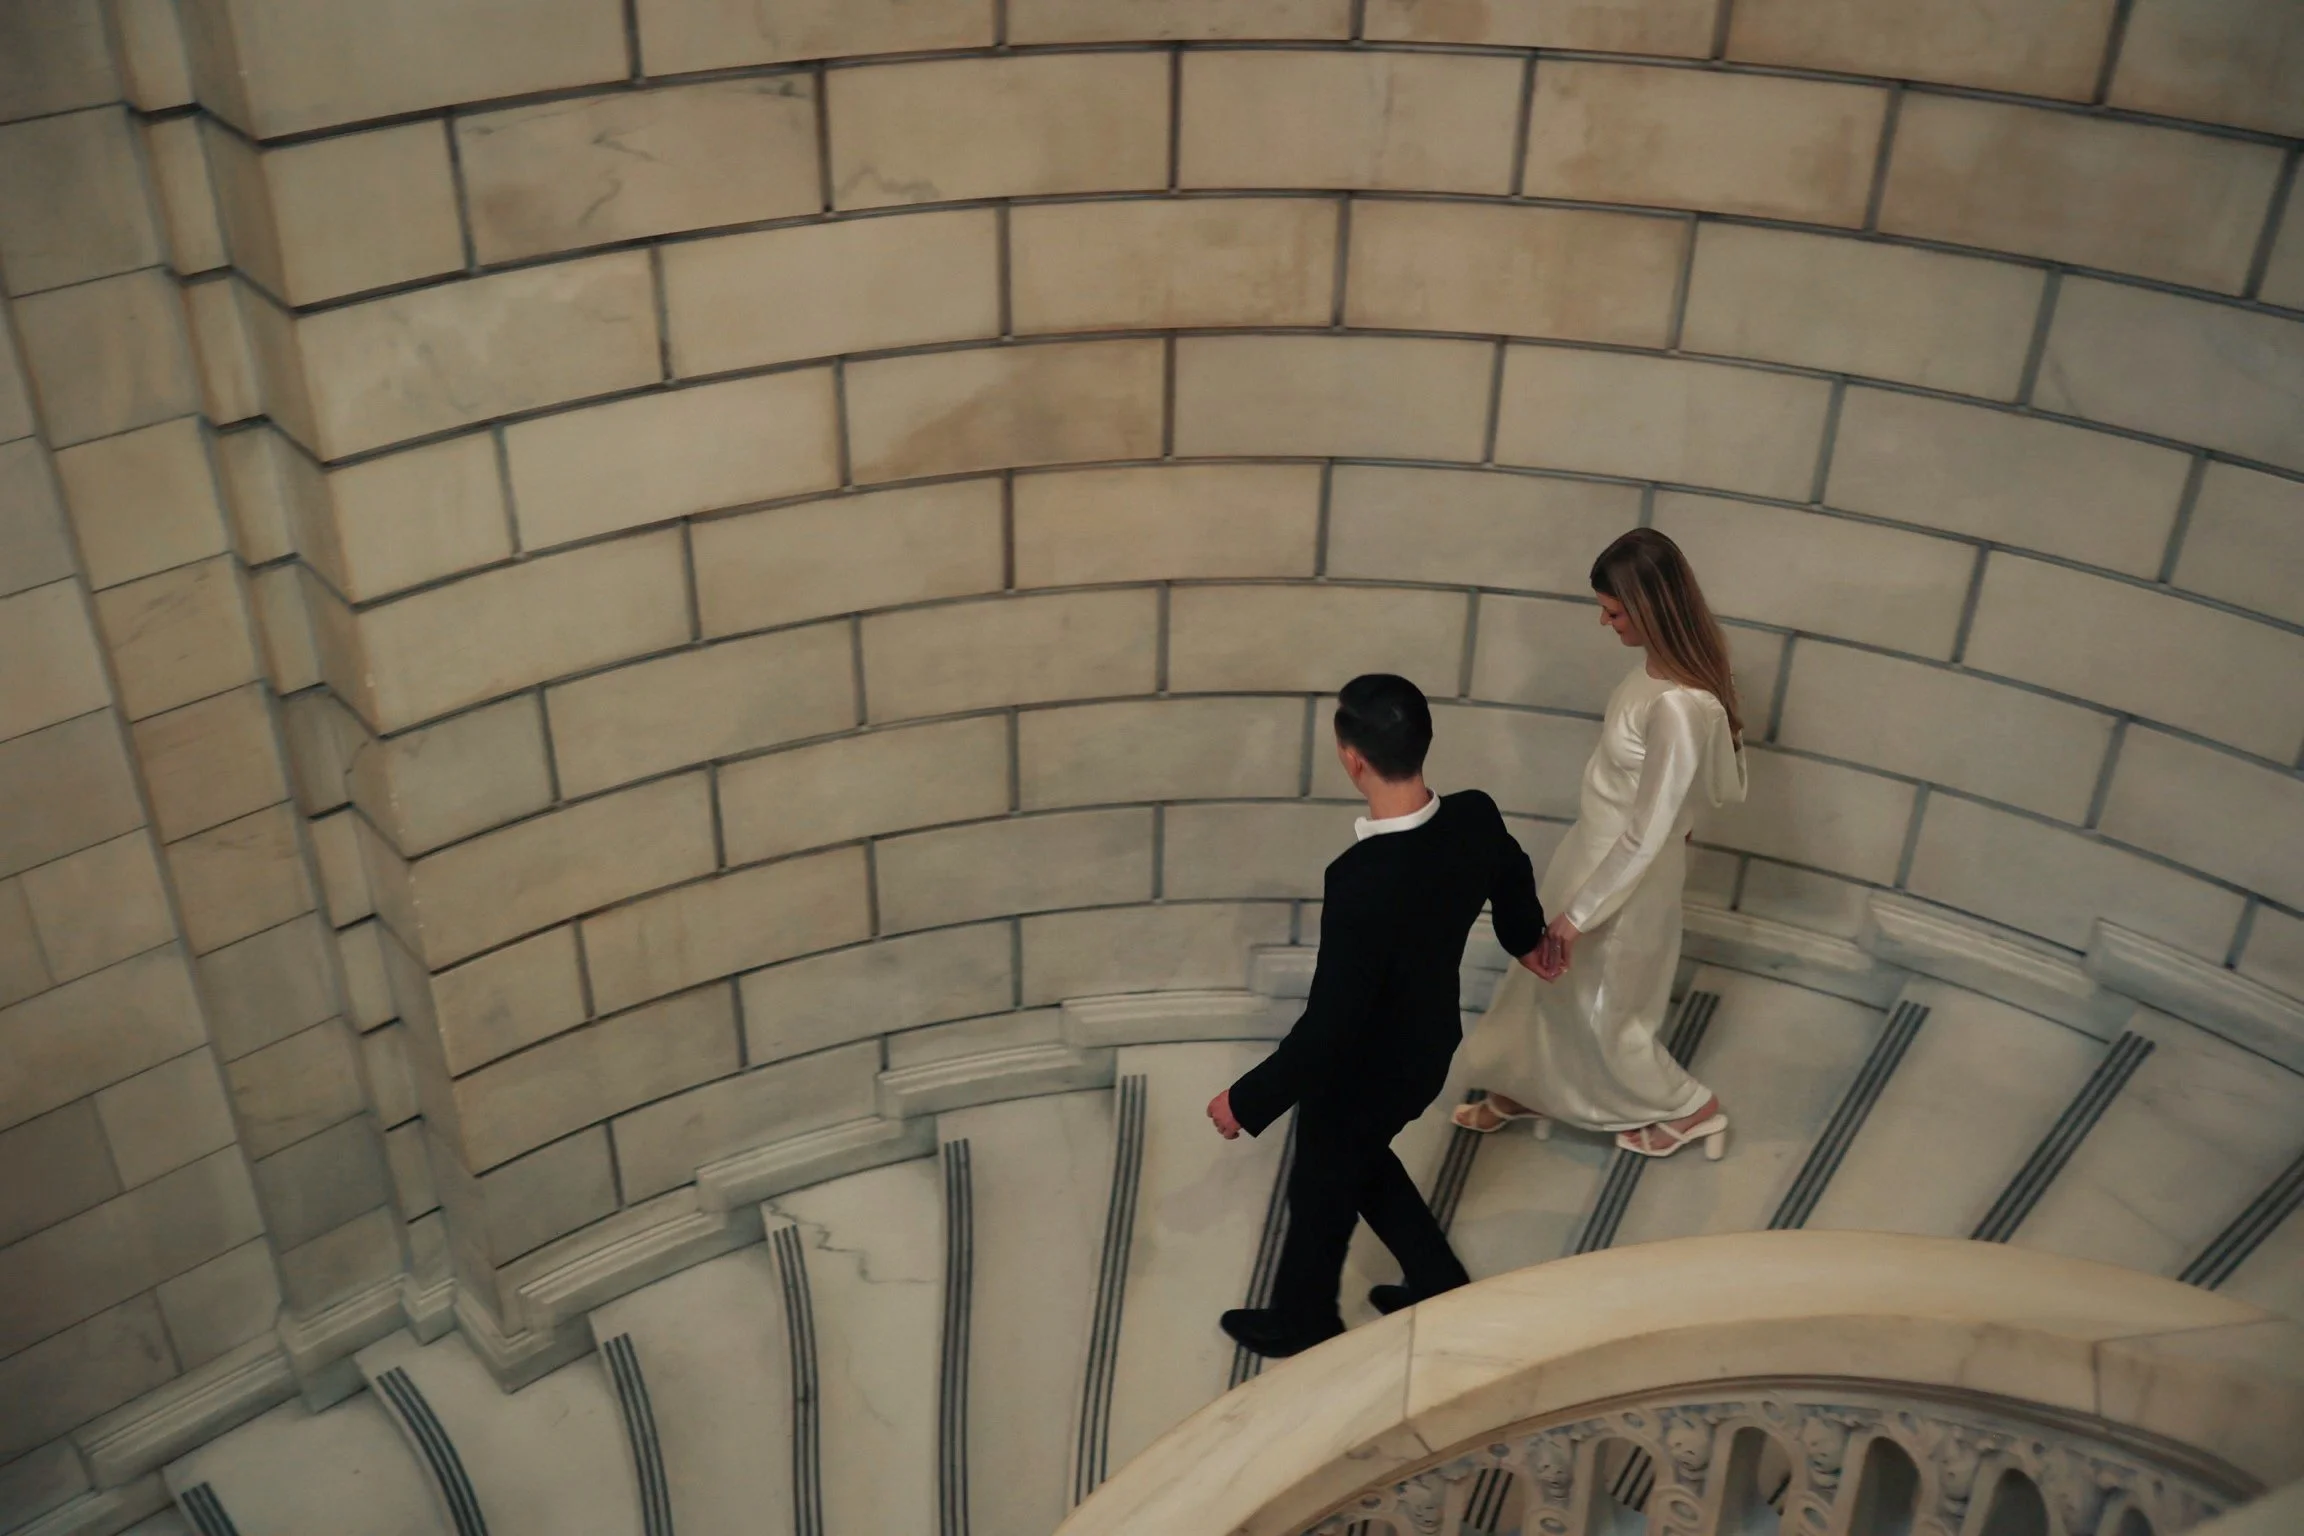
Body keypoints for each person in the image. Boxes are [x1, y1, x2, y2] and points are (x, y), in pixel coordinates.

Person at [1205, 673, 1549, 1359]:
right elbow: (1512, 870)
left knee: (1321, 1179)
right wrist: (1526, 939)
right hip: (1428, 1047)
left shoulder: (1360, 880)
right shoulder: (1475, 815)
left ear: (1352, 758)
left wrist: (1246, 1100)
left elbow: (1332, 1024)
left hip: (1366, 1064)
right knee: (1358, 1162)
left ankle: (1305, 1321)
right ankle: (1439, 1279)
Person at [1456, 528, 1748, 1159]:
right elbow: (1670, 795)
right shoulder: (1657, 678)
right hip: (1591, 853)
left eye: (1614, 612)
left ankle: (1691, 1108)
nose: (1604, 622)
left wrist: (1578, 915)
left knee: (1606, 1009)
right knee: (1550, 988)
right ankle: (1536, 1085)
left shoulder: (1677, 705)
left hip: (1624, 881)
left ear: (1649, 608)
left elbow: (1650, 828)